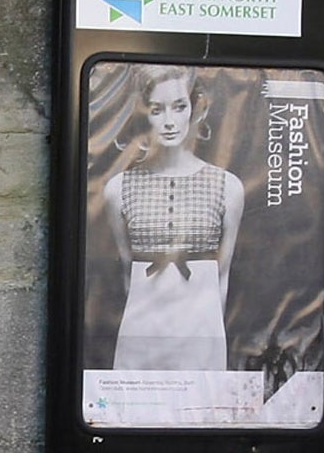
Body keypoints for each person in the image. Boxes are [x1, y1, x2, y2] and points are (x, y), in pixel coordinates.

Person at [102, 67, 245, 371]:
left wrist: (210, 337)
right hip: (141, 332)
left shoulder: (228, 187)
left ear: (194, 108)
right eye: (157, 109)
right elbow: (126, 272)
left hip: (201, 332)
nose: (169, 121)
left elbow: (223, 275)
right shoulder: (118, 189)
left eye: (179, 106)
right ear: (145, 114)